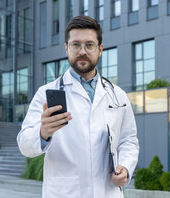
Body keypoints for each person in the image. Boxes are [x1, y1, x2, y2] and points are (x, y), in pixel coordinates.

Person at [17, 16, 139, 198]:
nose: (82, 51)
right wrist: (42, 133)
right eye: (76, 45)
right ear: (66, 48)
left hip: (108, 192)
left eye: (89, 45)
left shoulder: (117, 95)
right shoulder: (46, 92)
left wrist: (126, 168)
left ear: (100, 49)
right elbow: (24, 144)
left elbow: (129, 140)